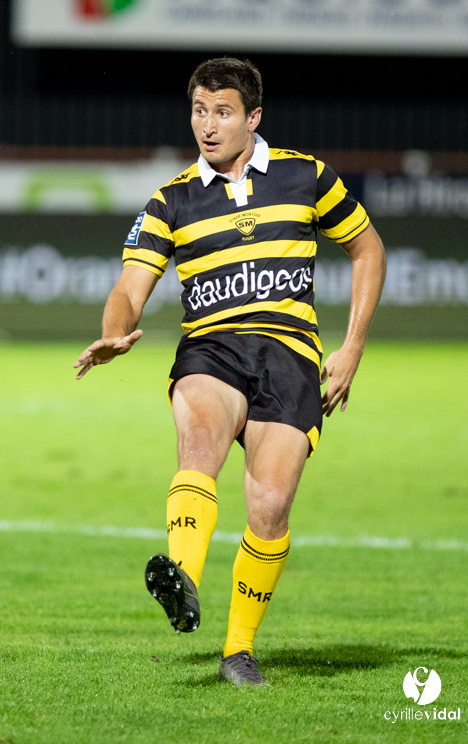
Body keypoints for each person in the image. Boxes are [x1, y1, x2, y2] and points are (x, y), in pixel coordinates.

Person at [73, 57, 385, 686]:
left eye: (221, 112)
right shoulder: (171, 199)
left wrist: (351, 347)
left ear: (253, 118)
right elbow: (129, 289)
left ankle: (237, 651)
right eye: (198, 111)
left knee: (269, 508)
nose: (207, 126)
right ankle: (182, 577)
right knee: (198, 446)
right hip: (211, 350)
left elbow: (367, 247)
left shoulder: (306, 176)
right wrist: (113, 332)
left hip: (290, 357)